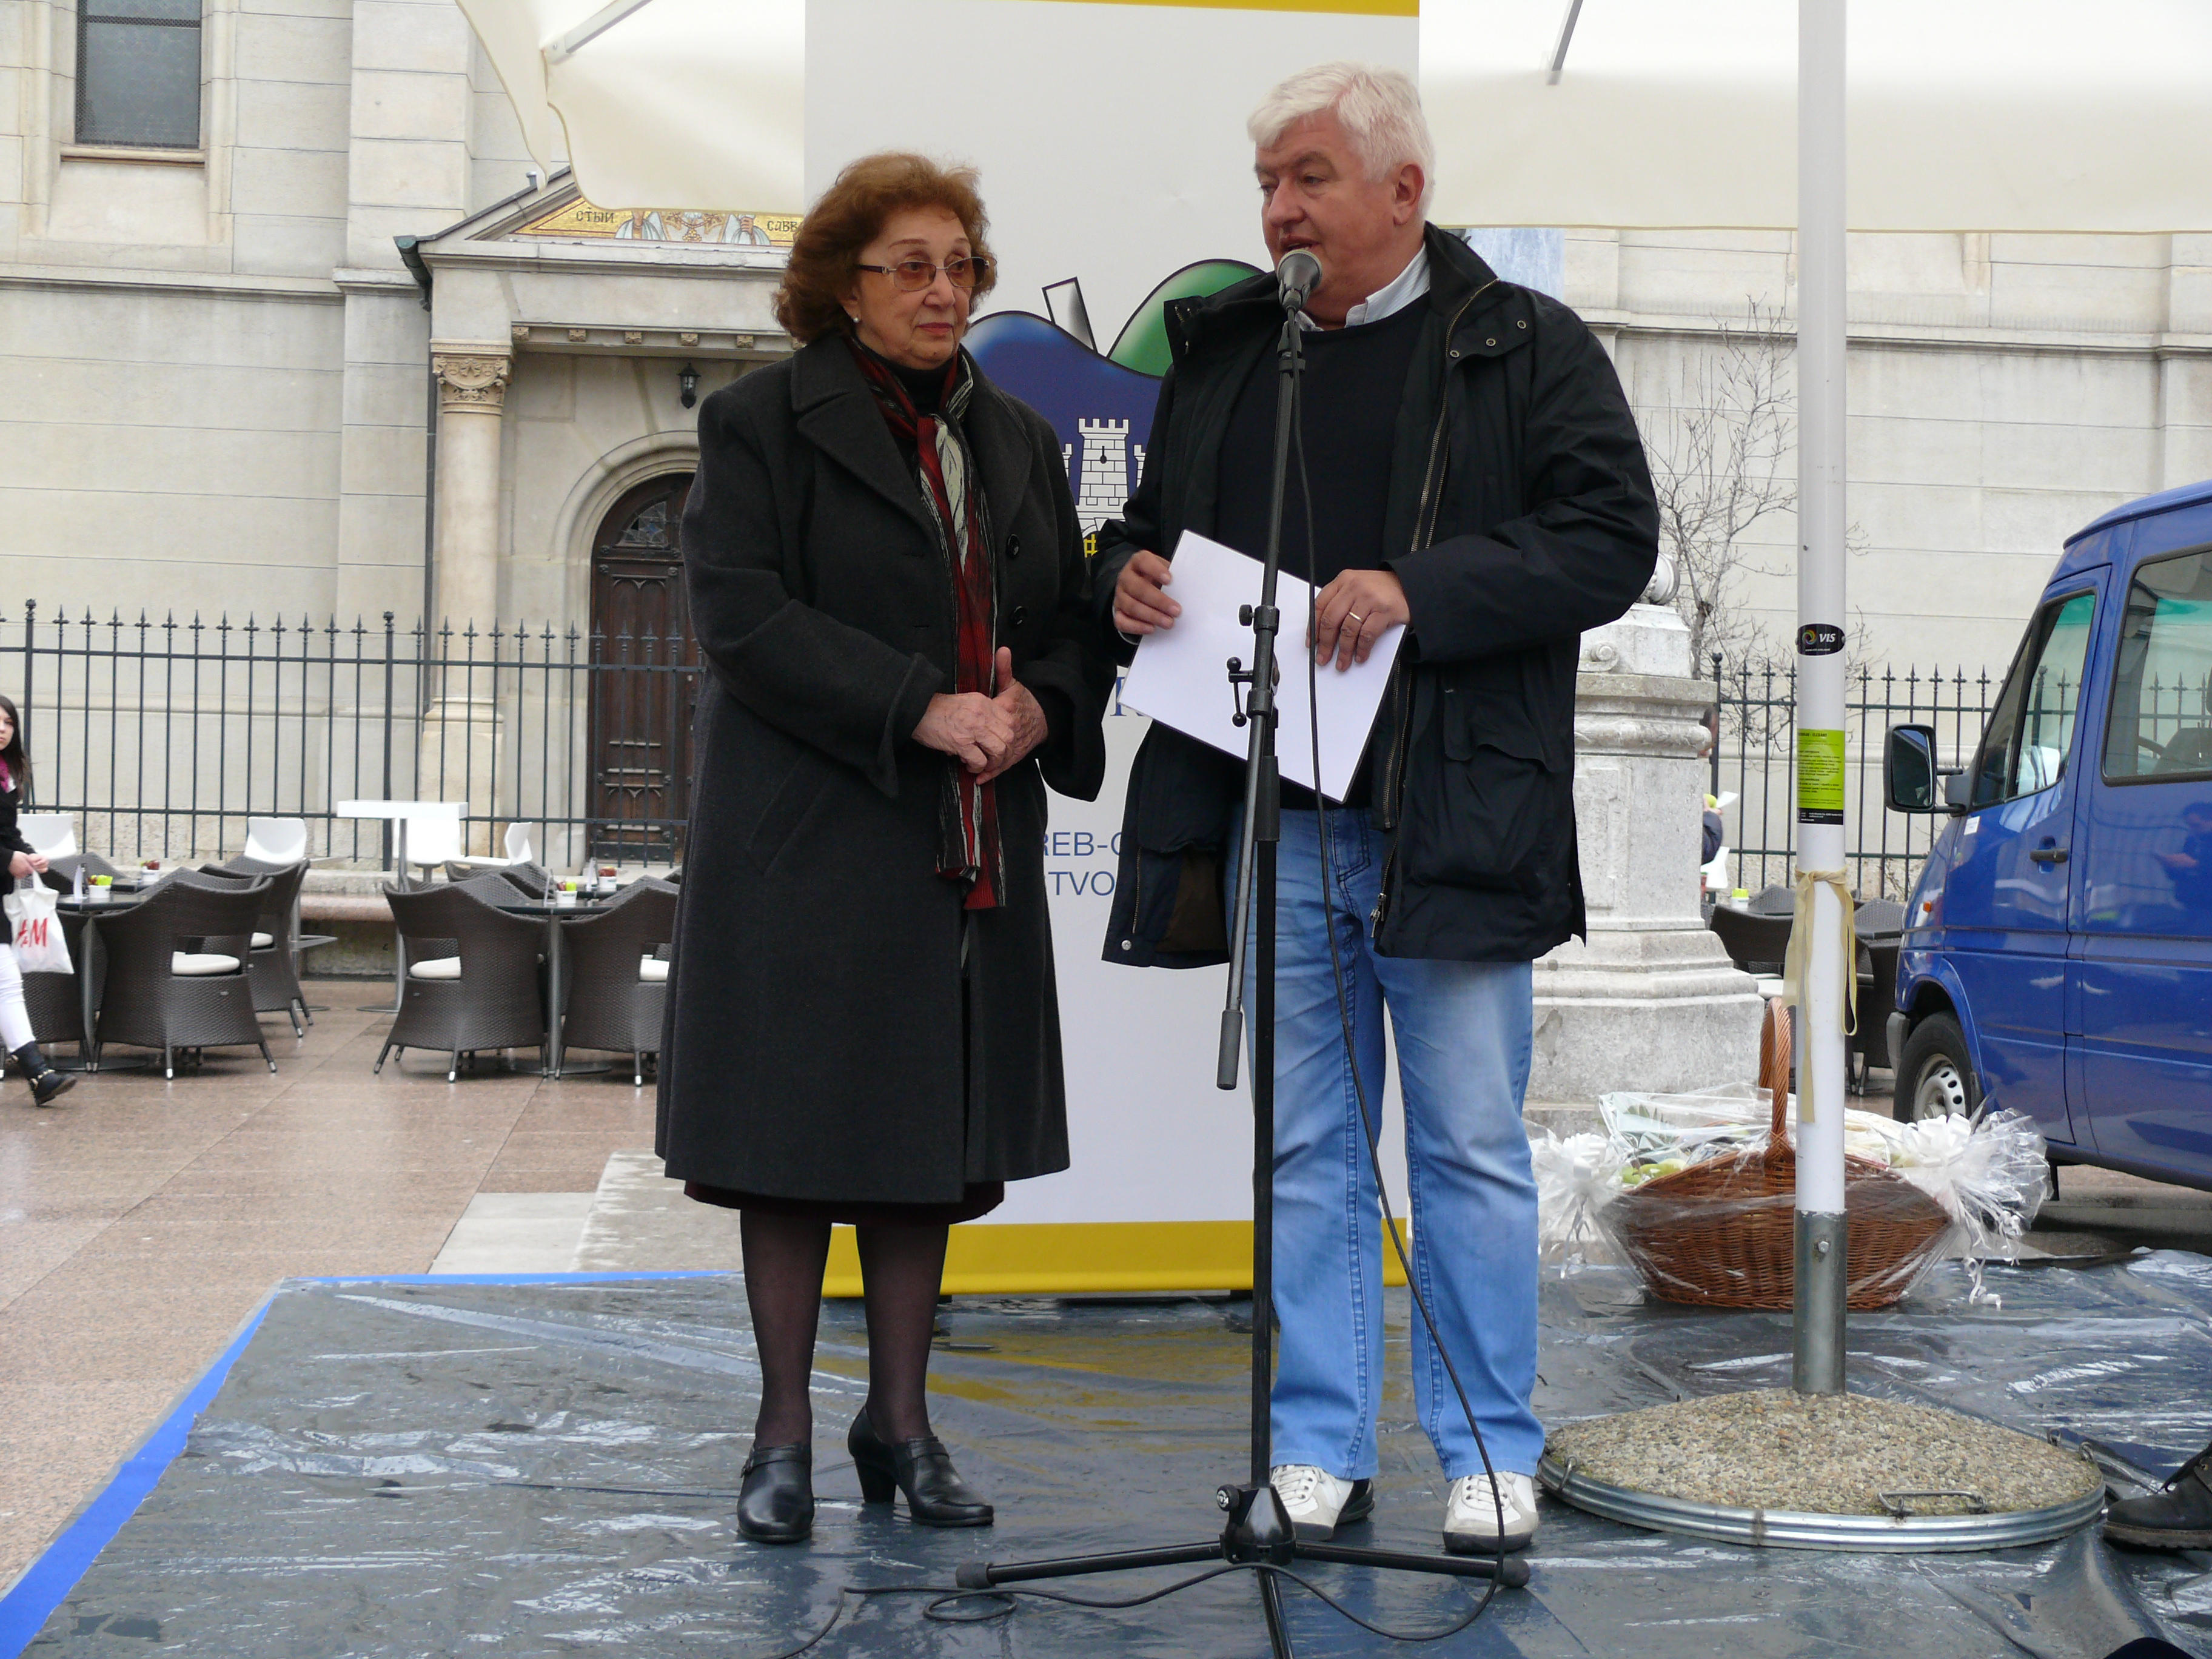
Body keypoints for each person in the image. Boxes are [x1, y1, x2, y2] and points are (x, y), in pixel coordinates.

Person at [1095, 63, 1658, 1554]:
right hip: (1278, 815)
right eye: (1267, 184)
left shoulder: (1520, 346)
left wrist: (1421, 588)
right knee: (1310, 1149)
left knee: (1466, 1145)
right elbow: (1149, 533)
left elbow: (1612, 538)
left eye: (1309, 178)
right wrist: (1121, 578)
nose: (1279, 209)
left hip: (1449, 818)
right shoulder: (1234, 354)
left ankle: (1488, 1447)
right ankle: (1317, 1447)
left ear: (1404, 191)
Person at [658, 153, 1111, 1546]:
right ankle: (782, 1430)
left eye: (961, 265)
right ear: (841, 287)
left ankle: (900, 1424)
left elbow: (1070, 618)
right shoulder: (758, 423)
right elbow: (741, 615)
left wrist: (1040, 706)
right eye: (910, 266)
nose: (944, 290)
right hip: (808, 839)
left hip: (958, 844)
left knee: (929, 1139)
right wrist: (918, 703)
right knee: (792, 1143)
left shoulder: (1016, 438)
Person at [0, 694, 75, 1107]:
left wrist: (28, 855)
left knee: (6, 982)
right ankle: (37, 1072)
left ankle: (38, 1073)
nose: (2, 729)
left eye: (8, 722)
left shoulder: (7, 777)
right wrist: (6, 859)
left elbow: (7, 834)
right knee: (6, 981)